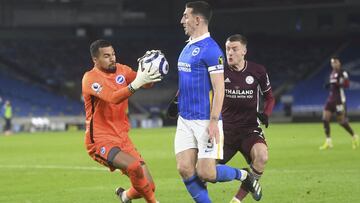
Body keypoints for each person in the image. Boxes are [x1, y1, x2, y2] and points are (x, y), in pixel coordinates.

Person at [175, 2, 261, 202]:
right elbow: (188, 80)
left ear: (197, 19)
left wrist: (214, 121)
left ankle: (244, 176)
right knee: (184, 168)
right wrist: (176, 100)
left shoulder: (212, 50)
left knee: (206, 173)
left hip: (205, 120)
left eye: (185, 16)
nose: (182, 20)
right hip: (185, 119)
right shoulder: (187, 46)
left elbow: (219, 88)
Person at [81, 39, 162, 203]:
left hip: (123, 137)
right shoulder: (90, 78)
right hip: (99, 140)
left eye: (113, 54)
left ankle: (125, 196)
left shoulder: (122, 70)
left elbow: (145, 84)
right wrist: (137, 84)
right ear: (95, 60)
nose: (112, 58)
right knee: (133, 166)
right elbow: (113, 98)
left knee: (150, 186)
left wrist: (151, 71)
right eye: (106, 56)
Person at [217, 34, 275, 203]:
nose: (230, 52)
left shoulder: (258, 71)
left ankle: (237, 200)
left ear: (244, 51)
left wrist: (266, 114)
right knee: (205, 172)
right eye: (227, 49)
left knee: (262, 156)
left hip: (249, 129)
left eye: (234, 49)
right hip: (224, 130)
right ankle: (242, 175)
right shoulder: (219, 71)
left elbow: (270, 97)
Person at [319, 56, 359, 150]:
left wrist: (336, 84)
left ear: (339, 63)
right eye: (333, 63)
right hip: (330, 99)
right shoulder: (332, 73)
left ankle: (354, 136)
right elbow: (333, 85)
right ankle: (328, 141)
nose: (334, 64)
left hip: (339, 100)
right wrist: (329, 85)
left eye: (336, 62)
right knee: (325, 119)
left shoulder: (343, 73)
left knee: (341, 122)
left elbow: (347, 85)